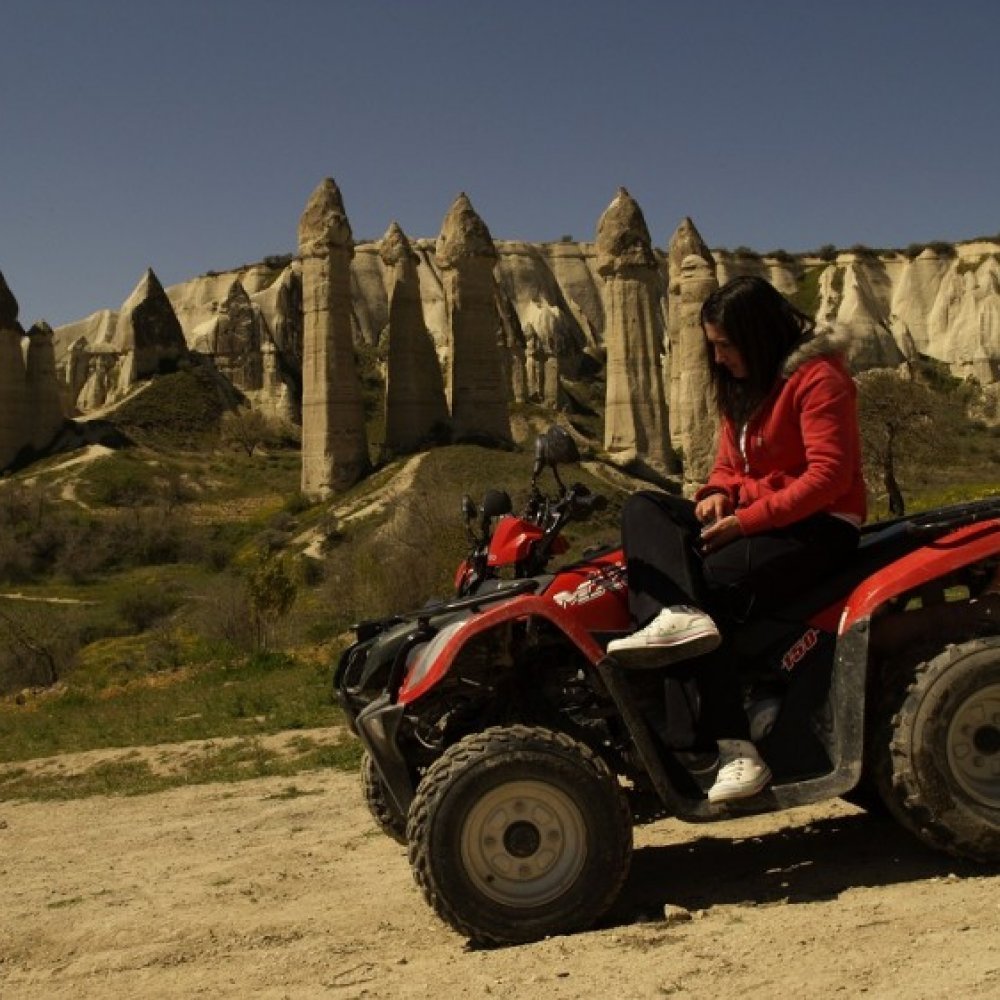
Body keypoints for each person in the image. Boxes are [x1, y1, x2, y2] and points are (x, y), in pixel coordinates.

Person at [607, 275, 866, 803]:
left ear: (759, 334)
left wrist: (744, 520)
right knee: (644, 507)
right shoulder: (745, 390)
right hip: (759, 520)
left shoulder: (819, 377)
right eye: (713, 347)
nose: (719, 358)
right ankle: (677, 618)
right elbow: (728, 464)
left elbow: (829, 479)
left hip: (819, 528)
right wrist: (716, 493)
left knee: (704, 591)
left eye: (725, 344)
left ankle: (733, 748)